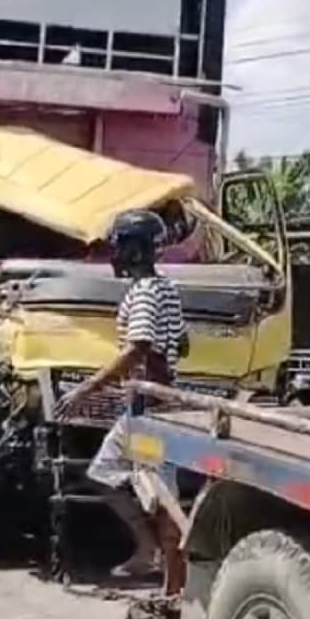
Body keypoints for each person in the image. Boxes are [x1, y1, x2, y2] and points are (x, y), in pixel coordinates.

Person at [55, 209, 188, 577]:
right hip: (157, 400)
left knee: (154, 492)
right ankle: (155, 555)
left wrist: (86, 388)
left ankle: (163, 562)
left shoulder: (143, 292)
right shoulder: (167, 289)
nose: (112, 254)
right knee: (126, 479)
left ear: (134, 250)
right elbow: (183, 344)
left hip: (148, 406)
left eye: (117, 246)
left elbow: (138, 347)